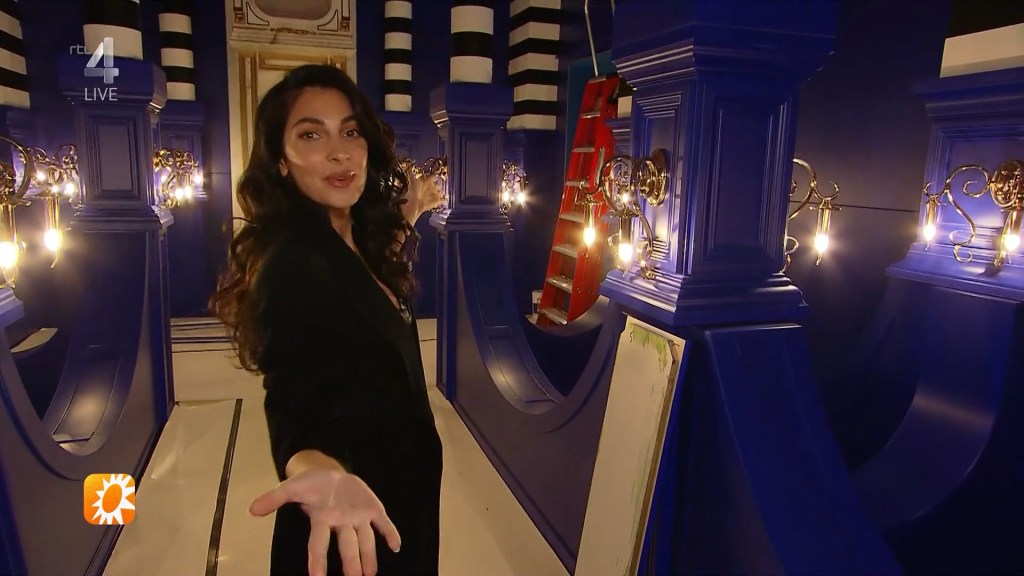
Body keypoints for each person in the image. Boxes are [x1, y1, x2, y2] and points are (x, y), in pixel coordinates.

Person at [209, 64, 446, 576]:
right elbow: (291, 400)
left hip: (402, 506)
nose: (340, 152)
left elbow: (364, 287)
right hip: (353, 528)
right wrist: (315, 468)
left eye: (351, 131)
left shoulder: (354, 239)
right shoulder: (290, 265)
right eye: (311, 135)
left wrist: (412, 211)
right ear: (281, 160)